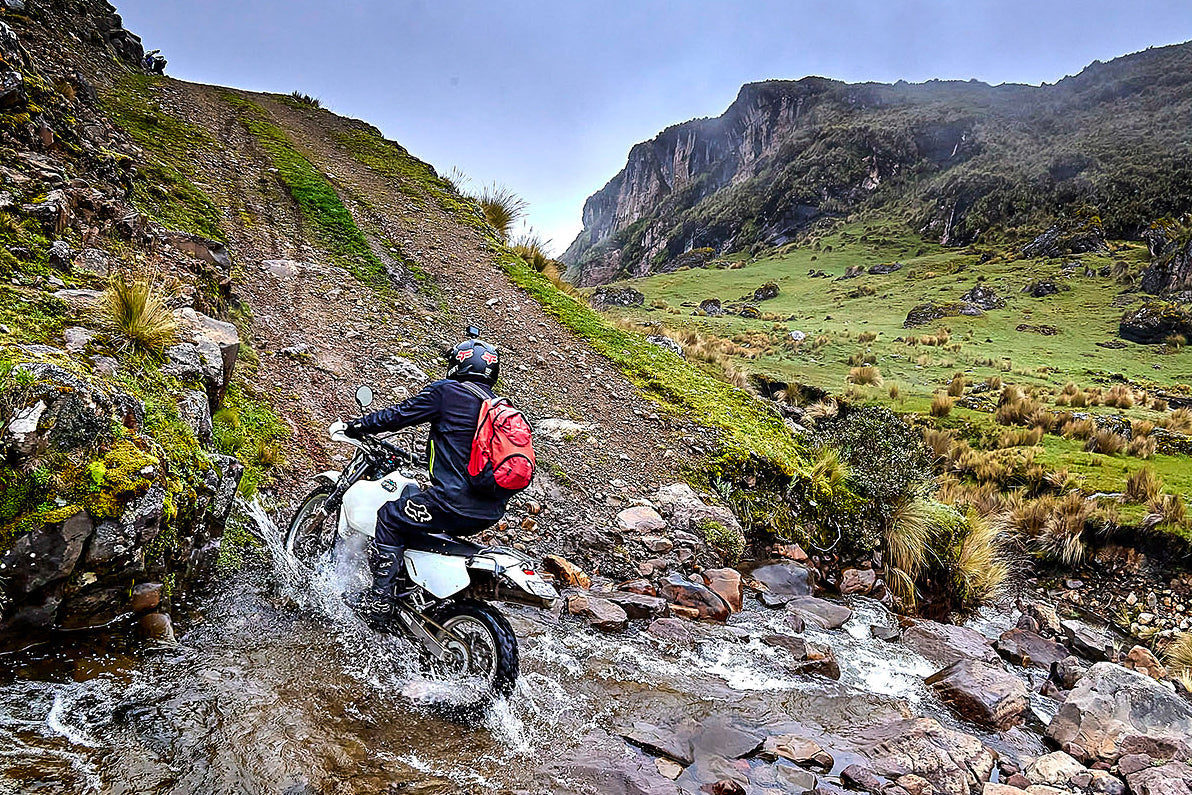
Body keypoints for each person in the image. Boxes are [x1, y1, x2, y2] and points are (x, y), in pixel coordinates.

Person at [343, 332, 508, 622]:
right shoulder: (498, 408)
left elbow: (399, 416)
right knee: (420, 522)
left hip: (451, 502)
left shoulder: (447, 392)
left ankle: (379, 604)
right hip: (489, 511)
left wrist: (359, 425)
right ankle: (421, 596)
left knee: (390, 517)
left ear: (460, 365)